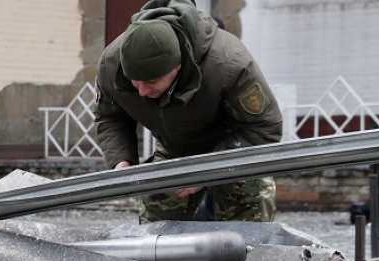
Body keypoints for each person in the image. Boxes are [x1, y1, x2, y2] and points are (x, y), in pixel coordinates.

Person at [94, 0, 281, 222]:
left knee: (250, 212)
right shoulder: (112, 64)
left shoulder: (229, 63)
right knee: (156, 225)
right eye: (135, 81)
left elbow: (264, 127)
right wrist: (121, 161)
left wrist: (208, 170)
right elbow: (110, 116)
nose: (142, 92)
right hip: (174, 148)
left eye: (151, 81)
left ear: (177, 67)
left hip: (232, 151)